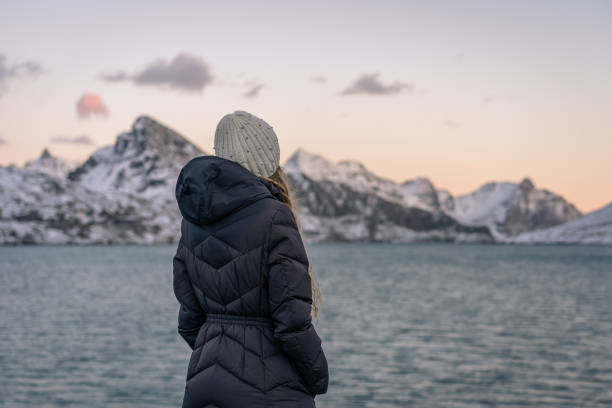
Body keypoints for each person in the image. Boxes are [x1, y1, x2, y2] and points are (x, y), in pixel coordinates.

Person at [172, 110, 329, 408]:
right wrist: (317, 377)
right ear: (267, 157)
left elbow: (189, 320)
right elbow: (292, 322)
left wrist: (219, 356)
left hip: (202, 386)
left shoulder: (191, 220)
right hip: (271, 391)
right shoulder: (274, 216)